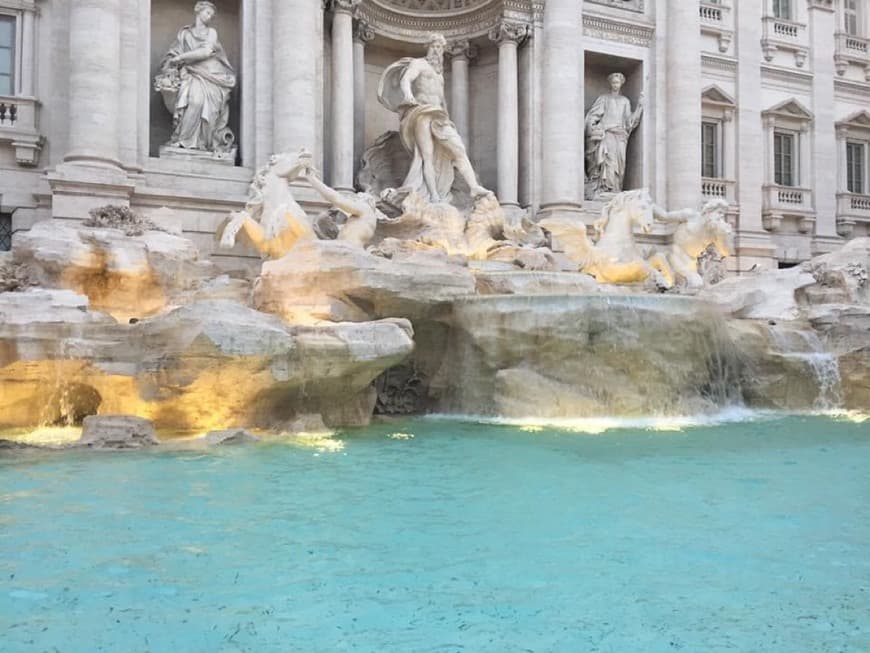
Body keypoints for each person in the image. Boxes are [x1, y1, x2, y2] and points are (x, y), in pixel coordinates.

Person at [378, 33, 489, 204]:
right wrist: (408, 95)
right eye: (435, 46)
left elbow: (442, 99)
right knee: (426, 156)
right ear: (428, 47)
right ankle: (433, 196)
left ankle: (473, 187)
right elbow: (406, 79)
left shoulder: (439, 74)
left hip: (439, 116)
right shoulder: (419, 64)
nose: (437, 50)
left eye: (440, 47)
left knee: (458, 149)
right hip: (421, 112)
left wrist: (448, 119)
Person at [158, 1, 236, 152]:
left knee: (201, 104)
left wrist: (180, 58)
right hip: (190, 74)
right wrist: (172, 61)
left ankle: (202, 143)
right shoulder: (185, 34)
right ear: (198, 11)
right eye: (207, 13)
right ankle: (183, 141)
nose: (209, 17)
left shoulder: (211, 32)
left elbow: (206, 52)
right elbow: (173, 53)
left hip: (211, 75)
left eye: (212, 15)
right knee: (194, 101)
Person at [584, 72, 644, 199]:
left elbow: (629, 122)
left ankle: (616, 189)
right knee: (608, 162)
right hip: (607, 134)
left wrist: (639, 106)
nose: (615, 85)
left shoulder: (625, 101)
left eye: (617, 82)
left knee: (619, 165)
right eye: (613, 82)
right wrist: (593, 128)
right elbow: (593, 116)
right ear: (610, 84)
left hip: (621, 136)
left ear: (621, 84)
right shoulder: (604, 98)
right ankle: (605, 188)